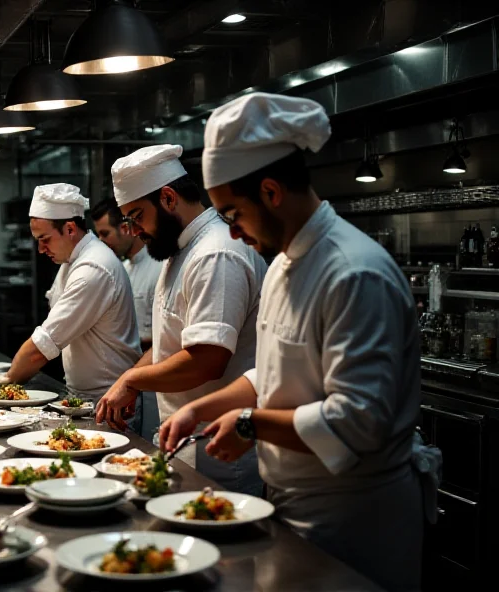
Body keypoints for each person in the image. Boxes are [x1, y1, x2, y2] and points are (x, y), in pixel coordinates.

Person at [159, 92, 440, 591]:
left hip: (354, 514)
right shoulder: (284, 263)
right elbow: (270, 374)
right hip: (292, 500)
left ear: (270, 191)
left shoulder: (353, 273)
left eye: (231, 213)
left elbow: (359, 420)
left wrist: (249, 424)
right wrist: (199, 411)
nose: (232, 231)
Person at [95, 145, 267, 495]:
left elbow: (207, 359)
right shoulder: (182, 252)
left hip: (220, 450)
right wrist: (130, 379)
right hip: (189, 441)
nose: (132, 230)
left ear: (169, 199)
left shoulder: (215, 252)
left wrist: (133, 379)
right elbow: (170, 344)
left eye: (136, 216)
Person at [6, 183, 141, 402]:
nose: (41, 250)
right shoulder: (72, 262)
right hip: (86, 395)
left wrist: (6, 382)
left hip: (109, 399)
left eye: (45, 239)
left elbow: (42, 347)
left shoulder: (93, 267)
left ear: (70, 229)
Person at [91, 198, 162, 440]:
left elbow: (168, 334)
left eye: (104, 233)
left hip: (153, 376)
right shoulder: (122, 268)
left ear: (125, 228)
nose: (101, 242)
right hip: (128, 376)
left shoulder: (159, 266)